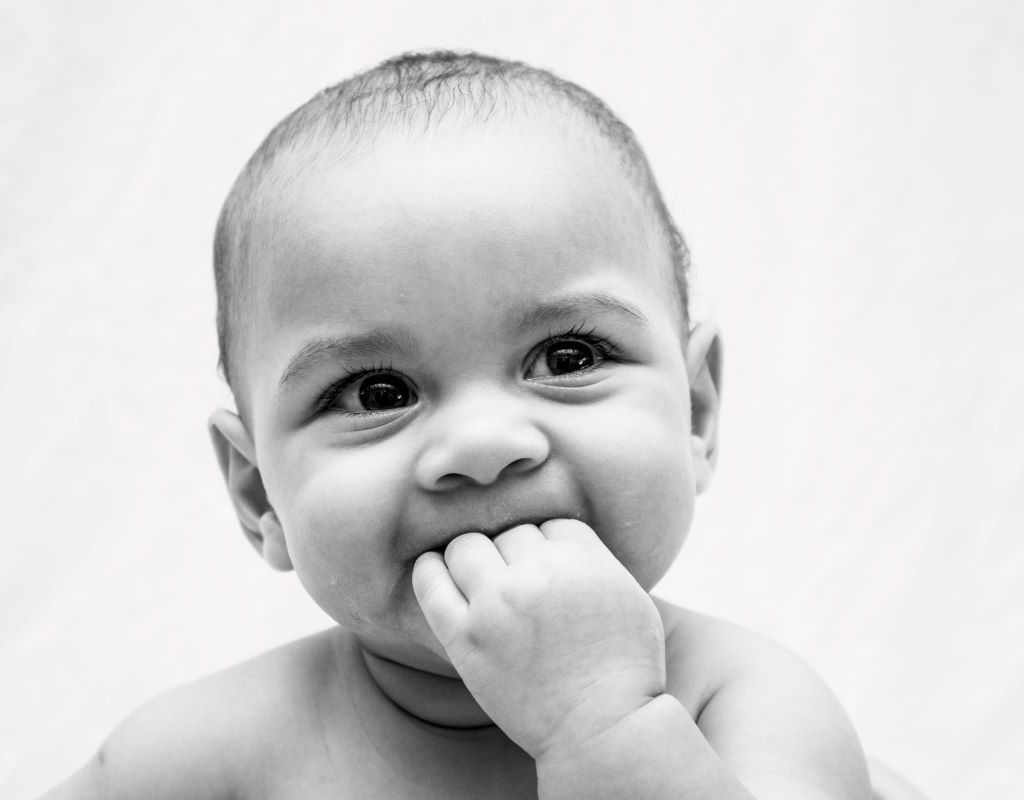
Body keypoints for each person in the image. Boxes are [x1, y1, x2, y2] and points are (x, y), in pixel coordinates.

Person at [44, 51, 873, 799]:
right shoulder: (201, 759)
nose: (483, 445)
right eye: (376, 392)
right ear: (260, 492)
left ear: (693, 410)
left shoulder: (746, 709)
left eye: (569, 356)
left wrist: (602, 726)